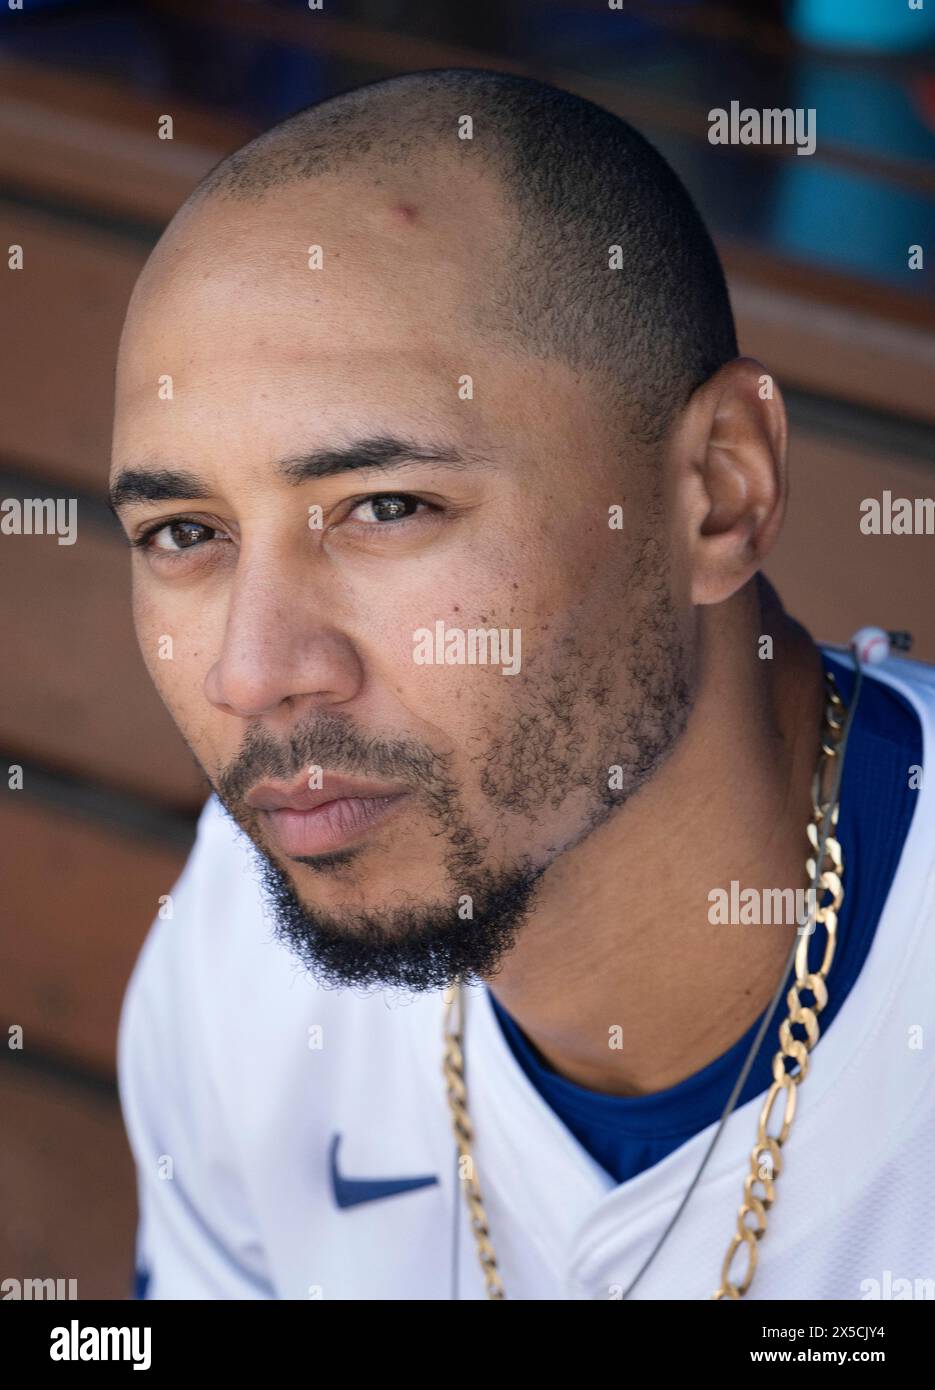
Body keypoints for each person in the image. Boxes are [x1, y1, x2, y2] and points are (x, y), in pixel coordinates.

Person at [111, 69, 935, 1300]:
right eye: (185, 531)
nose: (253, 673)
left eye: (385, 507)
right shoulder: (247, 927)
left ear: (718, 491)